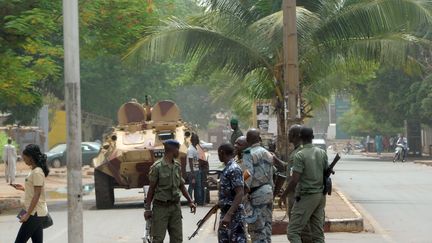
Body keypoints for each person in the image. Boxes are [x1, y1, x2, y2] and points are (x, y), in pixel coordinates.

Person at [144, 139, 196, 243]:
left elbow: (181, 185)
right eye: (178, 149)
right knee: (158, 239)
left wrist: (190, 201)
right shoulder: (157, 167)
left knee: (177, 240)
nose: (179, 151)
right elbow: (151, 189)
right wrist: (147, 209)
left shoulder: (177, 166)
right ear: (172, 150)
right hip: (160, 208)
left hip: (175, 208)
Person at [286, 127, 328, 243]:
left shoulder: (299, 155)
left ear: (300, 137)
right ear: (313, 137)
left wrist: (284, 194)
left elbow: (294, 180)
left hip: (306, 195)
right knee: (318, 234)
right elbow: (326, 173)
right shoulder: (322, 153)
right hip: (320, 196)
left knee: (293, 232)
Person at [13, 144, 50, 243]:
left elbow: (37, 195)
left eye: (24, 158)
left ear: (31, 157)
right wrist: (23, 189)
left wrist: (27, 215)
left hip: (34, 213)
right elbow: (35, 191)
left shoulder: (37, 172)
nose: (24, 161)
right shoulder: (34, 170)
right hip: (35, 213)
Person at [242, 129, 274, 243]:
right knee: (267, 226)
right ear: (259, 139)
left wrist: (243, 194)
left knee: (256, 229)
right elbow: (272, 175)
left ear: (247, 140)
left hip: (256, 194)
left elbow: (247, 176)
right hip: (268, 192)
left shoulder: (248, 154)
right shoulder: (267, 153)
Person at [217, 143, 247, 243]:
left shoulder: (233, 169)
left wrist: (229, 214)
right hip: (226, 212)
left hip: (234, 216)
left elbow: (240, 193)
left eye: (219, 154)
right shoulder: (227, 168)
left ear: (222, 153)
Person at [187, 133, 205, 205]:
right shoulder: (190, 149)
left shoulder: (195, 148)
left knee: (198, 186)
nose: (197, 141)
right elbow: (190, 161)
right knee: (192, 186)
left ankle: (199, 202)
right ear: (193, 140)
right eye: (196, 139)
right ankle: (190, 201)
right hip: (192, 171)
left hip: (197, 170)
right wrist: (192, 173)